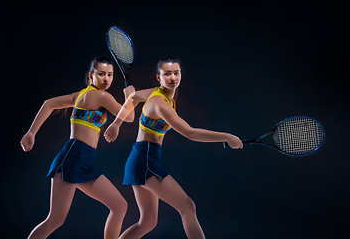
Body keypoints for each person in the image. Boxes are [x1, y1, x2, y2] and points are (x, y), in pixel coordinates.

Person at [104, 56, 243, 239]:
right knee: (187, 206)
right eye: (167, 74)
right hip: (144, 161)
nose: (173, 78)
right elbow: (190, 133)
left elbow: (133, 97)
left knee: (147, 222)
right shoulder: (159, 103)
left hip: (140, 159)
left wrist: (117, 123)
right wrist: (227, 136)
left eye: (176, 73)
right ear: (158, 77)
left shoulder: (158, 94)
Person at [20, 57, 135, 239]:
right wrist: (130, 95)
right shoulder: (102, 96)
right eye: (101, 74)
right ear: (91, 75)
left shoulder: (80, 95)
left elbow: (49, 104)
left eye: (110, 75)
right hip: (72, 159)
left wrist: (31, 132)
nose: (106, 79)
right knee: (55, 219)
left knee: (119, 206)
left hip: (82, 161)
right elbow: (129, 117)